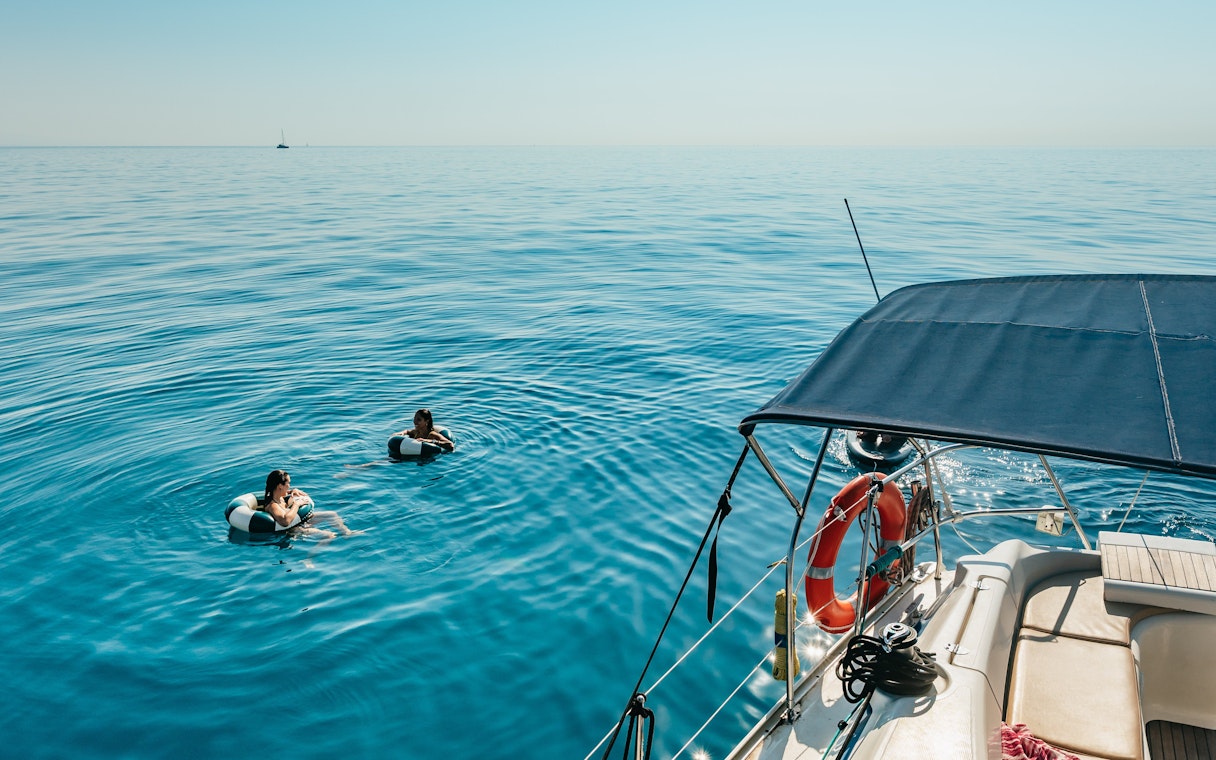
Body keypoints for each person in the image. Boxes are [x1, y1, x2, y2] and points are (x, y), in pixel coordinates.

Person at [263, 469, 362, 538]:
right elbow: (285, 521)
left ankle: (347, 533)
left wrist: (294, 490)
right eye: (288, 483)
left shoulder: (280, 497)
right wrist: (296, 504)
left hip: (299, 521)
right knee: (329, 535)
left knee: (332, 514)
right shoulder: (273, 505)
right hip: (292, 529)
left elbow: (303, 495)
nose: (289, 486)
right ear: (280, 486)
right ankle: (308, 559)